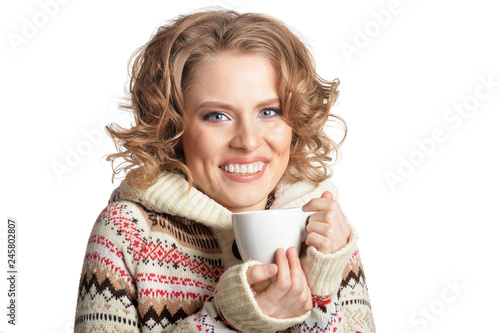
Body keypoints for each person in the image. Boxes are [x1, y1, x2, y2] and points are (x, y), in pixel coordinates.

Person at [74, 9, 376, 333]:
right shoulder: (126, 235)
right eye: (217, 116)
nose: (247, 141)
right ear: (172, 126)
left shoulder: (326, 231)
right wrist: (226, 322)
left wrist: (320, 288)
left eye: (269, 111)